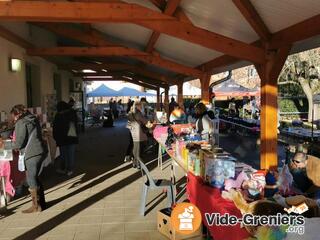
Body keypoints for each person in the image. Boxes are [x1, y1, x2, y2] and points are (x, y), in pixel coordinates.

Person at [11, 104, 47, 213]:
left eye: (13, 116)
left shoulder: (21, 122)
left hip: (31, 154)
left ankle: (36, 206)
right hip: (40, 151)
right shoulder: (33, 118)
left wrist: (6, 145)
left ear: (17, 114)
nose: (13, 118)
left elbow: (19, 143)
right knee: (35, 177)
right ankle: (42, 204)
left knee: (31, 179)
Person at [53, 101, 78, 176]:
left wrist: (55, 137)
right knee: (71, 154)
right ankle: (70, 169)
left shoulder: (58, 115)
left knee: (63, 154)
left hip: (62, 138)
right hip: (72, 136)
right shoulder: (72, 113)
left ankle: (63, 168)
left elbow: (56, 127)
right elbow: (75, 124)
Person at [127, 102, 151, 169]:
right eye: (141, 106)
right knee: (140, 151)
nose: (141, 107)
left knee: (135, 149)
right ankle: (139, 165)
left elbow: (128, 125)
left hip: (133, 133)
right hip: (140, 134)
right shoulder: (138, 113)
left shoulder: (130, 113)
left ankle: (134, 163)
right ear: (137, 106)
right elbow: (145, 121)